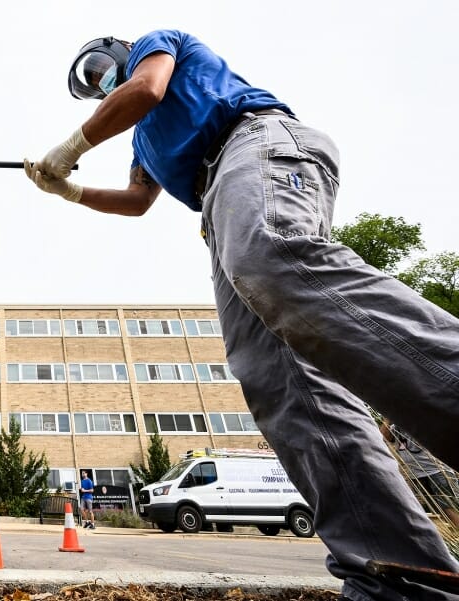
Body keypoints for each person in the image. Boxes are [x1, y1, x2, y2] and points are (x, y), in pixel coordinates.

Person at [24, 30, 459, 601]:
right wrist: (71, 192)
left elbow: (147, 89)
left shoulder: (159, 47)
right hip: (217, 203)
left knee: (273, 257)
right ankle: (395, 574)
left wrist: (71, 146)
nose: (99, 85)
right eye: (91, 88)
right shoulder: (143, 146)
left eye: (100, 73)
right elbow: (136, 203)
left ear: (117, 51)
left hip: (254, 148)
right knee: (277, 377)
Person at [380, 419, 459, 529]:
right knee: (439, 511)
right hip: (416, 475)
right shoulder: (394, 427)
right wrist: (388, 418)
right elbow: (383, 437)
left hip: (437, 471)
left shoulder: (419, 418)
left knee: (450, 508)